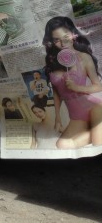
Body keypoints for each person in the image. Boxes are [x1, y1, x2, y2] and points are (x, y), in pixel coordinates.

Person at [43, 16, 102, 149]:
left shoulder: (84, 57)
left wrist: (77, 87)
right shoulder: (52, 63)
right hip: (76, 115)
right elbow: (57, 93)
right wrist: (57, 117)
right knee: (62, 145)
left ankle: (97, 133)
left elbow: (98, 86)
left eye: (65, 37)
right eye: (57, 40)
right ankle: (94, 132)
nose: (63, 43)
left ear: (73, 34)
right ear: (52, 42)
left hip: (95, 107)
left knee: (98, 145)